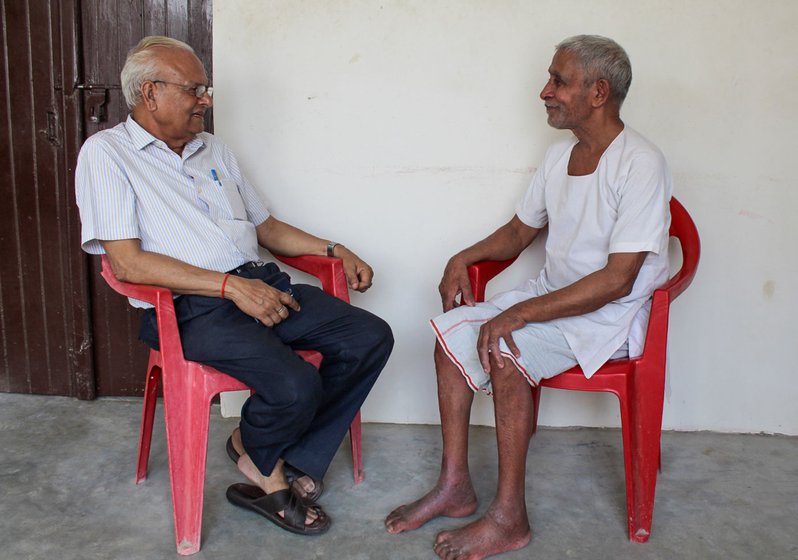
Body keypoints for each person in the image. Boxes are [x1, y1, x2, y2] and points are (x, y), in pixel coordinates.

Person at [75, 36, 393, 536]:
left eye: (206, 88)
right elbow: (128, 262)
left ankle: (273, 450)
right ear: (150, 92)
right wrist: (227, 288)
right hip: (192, 308)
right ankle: (264, 473)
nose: (207, 99)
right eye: (194, 89)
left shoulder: (215, 150)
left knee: (369, 336)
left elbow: (266, 229)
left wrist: (335, 249)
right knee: (294, 385)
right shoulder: (107, 154)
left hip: (258, 284)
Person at [385, 35, 671, 559]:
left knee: (505, 352)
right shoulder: (559, 157)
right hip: (553, 297)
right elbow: (519, 233)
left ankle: (509, 517)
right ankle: (455, 485)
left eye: (559, 81)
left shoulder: (641, 163)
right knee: (450, 337)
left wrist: (518, 314)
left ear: (598, 92)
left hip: (606, 314)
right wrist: (462, 258)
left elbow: (618, 281)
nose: (546, 91)